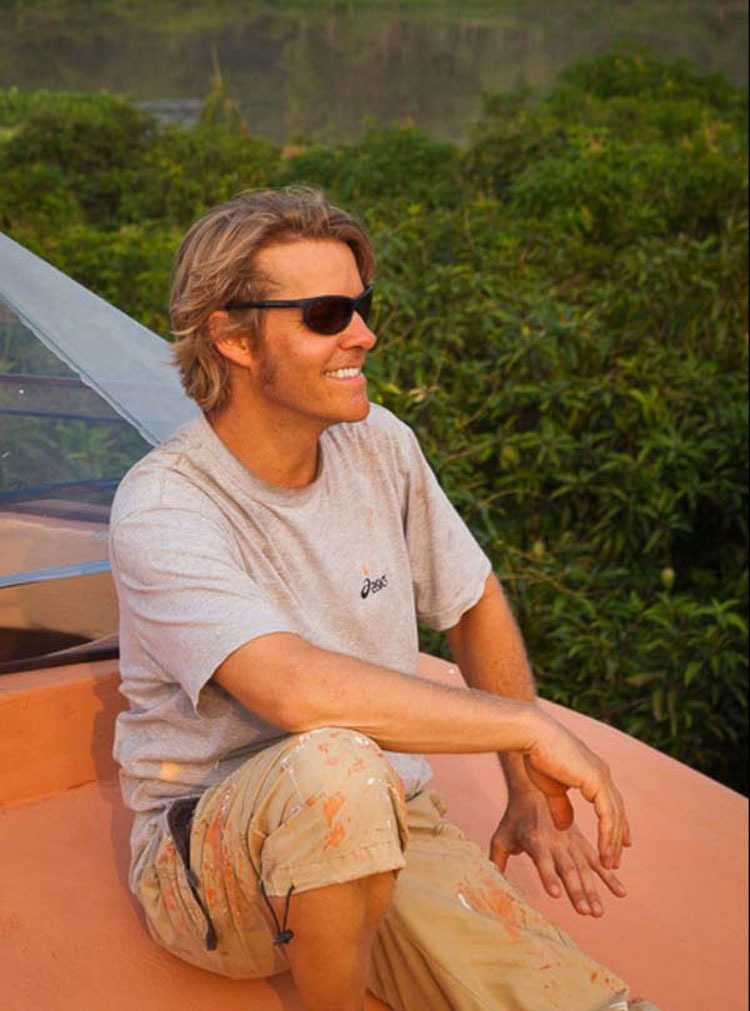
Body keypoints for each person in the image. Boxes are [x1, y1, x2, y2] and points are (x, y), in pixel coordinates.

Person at [109, 187, 658, 1011]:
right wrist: (529, 727)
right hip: (211, 855)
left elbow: (471, 599)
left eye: (361, 306)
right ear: (233, 337)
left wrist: (524, 787)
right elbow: (295, 690)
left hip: (383, 818)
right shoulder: (166, 505)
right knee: (339, 767)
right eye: (327, 314)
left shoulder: (381, 445)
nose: (364, 333)